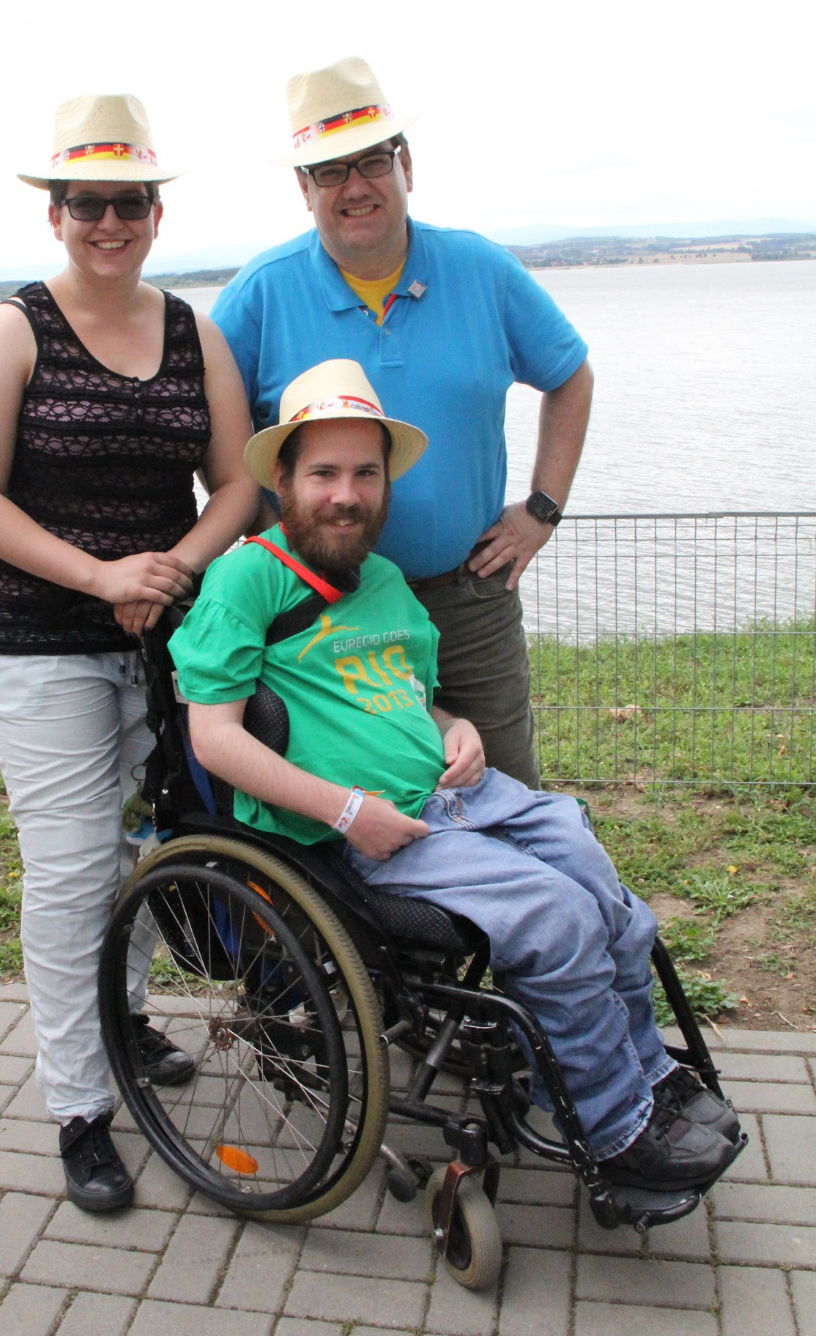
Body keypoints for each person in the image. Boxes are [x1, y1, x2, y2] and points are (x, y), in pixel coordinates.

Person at [169, 359, 740, 1192]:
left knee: (611, 902)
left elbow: (412, 699)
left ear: (385, 484)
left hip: (467, 796)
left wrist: (456, 727)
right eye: (323, 473)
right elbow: (216, 740)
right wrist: (348, 811)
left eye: (366, 474)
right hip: (375, 830)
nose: (346, 495)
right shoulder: (247, 578)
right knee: (556, 920)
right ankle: (613, 1126)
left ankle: (646, 1077)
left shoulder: (384, 581)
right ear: (282, 480)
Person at [0, 93, 258, 1213]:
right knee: (73, 872)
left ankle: (122, 1020)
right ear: (57, 214)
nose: (108, 223)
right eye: (88, 204)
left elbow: (240, 484)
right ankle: (80, 1105)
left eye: (128, 203)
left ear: (156, 213)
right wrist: (100, 577)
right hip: (41, 647)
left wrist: (167, 570)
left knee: (145, 851)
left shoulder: (192, 331)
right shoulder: (13, 330)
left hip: (162, 643)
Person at [211, 56, 594, 788]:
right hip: (318, 609)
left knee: (503, 789)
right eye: (329, 170)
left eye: (371, 161)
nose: (354, 186)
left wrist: (541, 510)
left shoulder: (482, 270)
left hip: (468, 598)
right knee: (350, 804)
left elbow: (571, 377)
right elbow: (216, 434)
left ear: (405, 165)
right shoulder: (261, 294)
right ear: (304, 189)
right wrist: (266, 537)